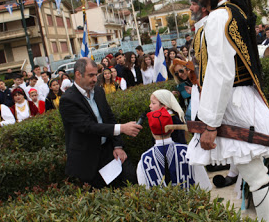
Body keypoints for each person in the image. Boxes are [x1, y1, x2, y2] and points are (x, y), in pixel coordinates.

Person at [187, 0, 269, 222]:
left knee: (256, 176)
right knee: (257, 175)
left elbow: (221, 73)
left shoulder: (221, 16)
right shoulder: (234, 12)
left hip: (232, 102)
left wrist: (210, 124)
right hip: (239, 97)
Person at [59, 57, 142, 188]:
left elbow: (109, 117)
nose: (95, 79)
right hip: (88, 159)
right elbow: (88, 126)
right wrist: (122, 128)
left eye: (96, 74)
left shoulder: (98, 91)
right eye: (91, 75)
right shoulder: (68, 100)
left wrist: (118, 146)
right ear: (78, 74)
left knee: (131, 179)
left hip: (109, 151)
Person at [136, 106, 211, 191]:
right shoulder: (188, 152)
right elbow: (205, 186)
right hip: (191, 203)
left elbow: (144, 192)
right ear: (172, 129)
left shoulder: (144, 159)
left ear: (152, 132)